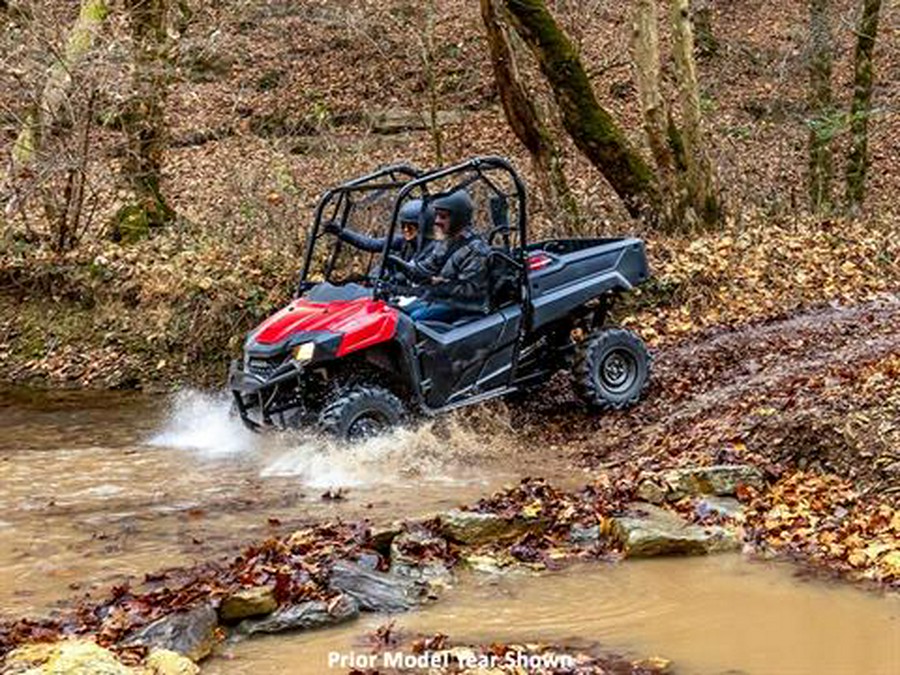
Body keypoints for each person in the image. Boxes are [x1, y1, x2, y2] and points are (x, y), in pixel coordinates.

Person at [390, 189, 490, 323]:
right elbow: (428, 266)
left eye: (442, 217)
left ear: (458, 218)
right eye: (436, 216)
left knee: (414, 318)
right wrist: (405, 268)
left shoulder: (476, 251)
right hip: (442, 297)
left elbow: (469, 291)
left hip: (464, 305)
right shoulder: (447, 242)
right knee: (397, 310)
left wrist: (439, 283)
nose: (436, 221)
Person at [324, 199, 436, 275]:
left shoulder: (434, 249)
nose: (406, 230)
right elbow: (372, 244)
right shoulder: (402, 241)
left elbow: (420, 273)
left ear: (423, 228)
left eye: (410, 227)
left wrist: (399, 268)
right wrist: (341, 232)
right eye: (403, 226)